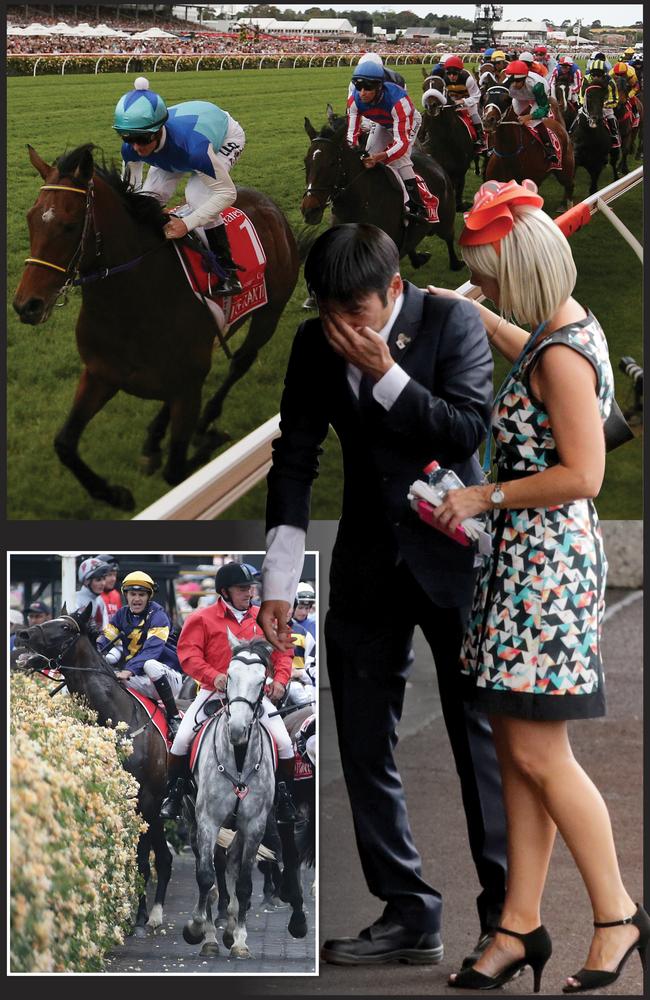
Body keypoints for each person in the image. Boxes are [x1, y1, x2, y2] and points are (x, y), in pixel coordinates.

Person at [258, 223, 507, 967]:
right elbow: (294, 458)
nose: (340, 327)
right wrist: (279, 580)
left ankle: (505, 917)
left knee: (480, 745)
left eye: (355, 311)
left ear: (393, 290)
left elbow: (467, 426)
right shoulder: (315, 344)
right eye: (327, 310)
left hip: (454, 559)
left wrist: (387, 374)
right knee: (364, 741)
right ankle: (408, 912)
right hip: (367, 564)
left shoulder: (451, 322)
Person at [426, 178, 649, 993]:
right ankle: (519, 924)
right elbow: (529, 348)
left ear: (517, 275)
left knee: (538, 753)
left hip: (542, 570)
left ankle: (618, 915)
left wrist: (484, 493)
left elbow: (585, 473)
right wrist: (468, 311)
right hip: (529, 564)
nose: (477, 285)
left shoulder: (559, 354)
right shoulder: (562, 326)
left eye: (485, 278)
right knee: (522, 753)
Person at [159, 561, 296, 823]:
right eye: (243, 589)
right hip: (214, 692)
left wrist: (280, 680)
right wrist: (214, 676)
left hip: (255, 696)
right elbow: (188, 655)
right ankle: (175, 794)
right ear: (225, 591)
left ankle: (283, 795)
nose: (250, 593)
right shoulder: (201, 618)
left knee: (285, 744)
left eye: (251, 588)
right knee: (181, 739)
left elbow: (284, 653)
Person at [113, 76, 246, 295]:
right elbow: (131, 192)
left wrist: (187, 223)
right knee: (148, 199)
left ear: (157, 131)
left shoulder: (193, 148)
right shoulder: (132, 147)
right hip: (176, 148)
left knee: (197, 195)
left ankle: (228, 271)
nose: (136, 147)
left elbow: (227, 193)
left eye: (142, 139)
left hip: (223, 137)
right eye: (128, 138)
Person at [97, 570, 183, 738]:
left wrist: (128, 671)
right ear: (126, 595)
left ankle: (173, 717)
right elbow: (105, 638)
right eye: (133, 594)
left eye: (142, 594)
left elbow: (151, 651)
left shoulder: (158, 616)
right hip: (139, 679)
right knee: (107, 679)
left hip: (168, 677)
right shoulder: (122, 614)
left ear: (149, 596)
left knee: (149, 664)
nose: (137, 599)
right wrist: (93, 650)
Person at [346, 60, 427, 222]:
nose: (362, 93)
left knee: (399, 160)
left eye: (368, 88)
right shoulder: (354, 100)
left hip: (408, 122)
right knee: (368, 153)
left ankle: (416, 204)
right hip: (383, 122)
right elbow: (351, 136)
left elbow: (401, 145)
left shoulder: (399, 101)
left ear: (379, 87)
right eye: (358, 87)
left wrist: (379, 157)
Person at [503, 60, 559, 163]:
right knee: (513, 117)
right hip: (519, 97)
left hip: (537, 95)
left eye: (518, 81)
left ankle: (550, 149)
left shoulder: (537, 85)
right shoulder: (506, 84)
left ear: (525, 78)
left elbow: (544, 108)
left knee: (535, 121)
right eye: (513, 81)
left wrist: (528, 117)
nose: (515, 85)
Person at [439, 55, 485, 149]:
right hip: (453, 103)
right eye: (449, 73)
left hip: (469, 103)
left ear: (459, 72)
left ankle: (480, 138)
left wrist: (463, 101)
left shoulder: (468, 79)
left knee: (474, 114)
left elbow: (476, 96)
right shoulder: (444, 79)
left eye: (454, 74)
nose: (451, 76)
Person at [578, 61, 621, 147]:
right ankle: (572, 132)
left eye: (599, 75)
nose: (596, 77)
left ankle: (614, 135)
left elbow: (614, 99)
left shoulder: (610, 81)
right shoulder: (586, 79)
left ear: (604, 74)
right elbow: (581, 96)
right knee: (578, 115)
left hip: (604, 106)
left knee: (611, 116)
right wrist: (584, 104)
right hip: (589, 106)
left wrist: (603, 105)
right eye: (594, 74)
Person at [75, 557, 110, 629]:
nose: (103, 583)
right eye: (98, 580)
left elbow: (105, 628)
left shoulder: (100, 600)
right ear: (86, 581)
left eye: (104, 579)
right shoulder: (75, 600)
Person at [95, 553, 122, 618]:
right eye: (109, 575)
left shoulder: (116, 595)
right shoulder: (94, 596)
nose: (114, 579)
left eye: (115, 575)